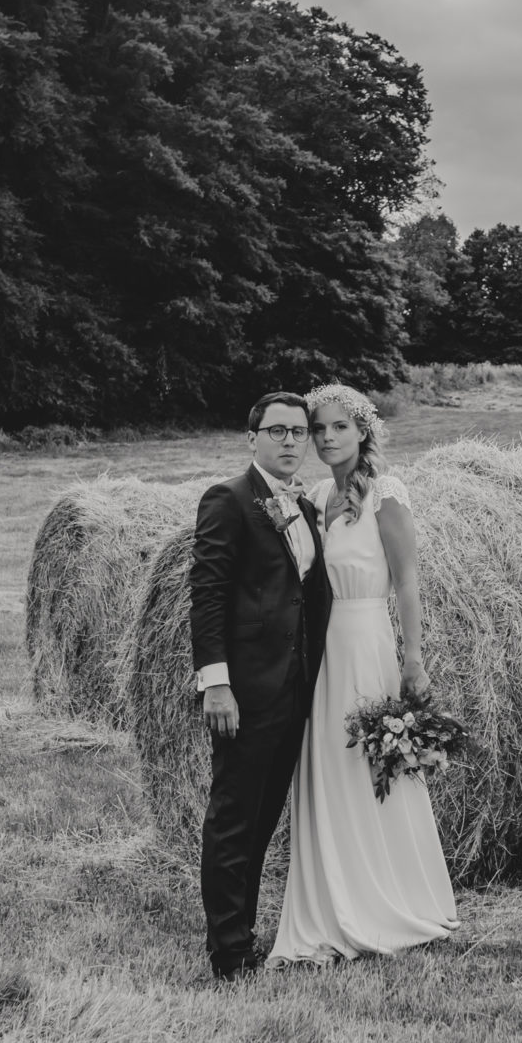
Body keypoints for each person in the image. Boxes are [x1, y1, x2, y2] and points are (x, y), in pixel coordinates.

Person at [268, 383, 458, 966]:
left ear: (363, 432)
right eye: (318, 429)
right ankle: (327, 902)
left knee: (369, 767)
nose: (326, 438)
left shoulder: (387, 495)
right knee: (325, 766)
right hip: (317, 653)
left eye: (338, 428)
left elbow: (407, 585)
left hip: (366, 642)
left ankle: (388, 899)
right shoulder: (314, 495)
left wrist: (414, 658)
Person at [189, 392, 332, 981]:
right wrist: (216, 685)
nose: (291, 441)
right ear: (253, 439)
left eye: (299, 431)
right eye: (278, 431)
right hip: (245, 691)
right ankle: (228, 953)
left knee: (264, 817)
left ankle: (243, 933)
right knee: (233, 817)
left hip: (296, 688)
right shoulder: (230, 499)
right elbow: (209, 594)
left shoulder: (302, 504)